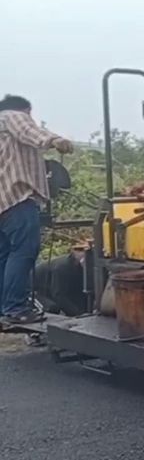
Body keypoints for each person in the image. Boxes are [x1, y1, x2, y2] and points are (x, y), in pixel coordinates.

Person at [0, 95, 73, 327]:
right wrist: (55, 140)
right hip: (18, 199)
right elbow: (29, 132)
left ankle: (5, 307)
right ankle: (15, 308)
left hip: (3, 203)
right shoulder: (13, 116)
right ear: (26, 110)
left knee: (5, 255)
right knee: (24, 251)